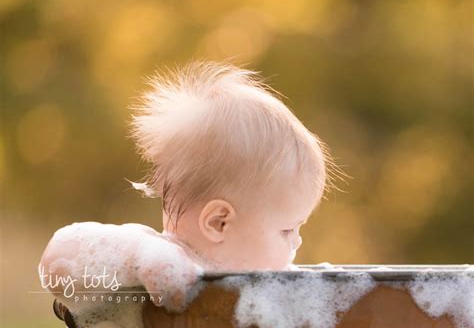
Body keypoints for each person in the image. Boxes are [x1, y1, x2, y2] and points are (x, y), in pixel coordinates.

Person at [39, 60, 332, 309]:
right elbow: (59, 259)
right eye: (287, 230)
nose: (297, 242)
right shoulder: (167, 263)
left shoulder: (264, 288)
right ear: (218, 223)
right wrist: (138, 256)